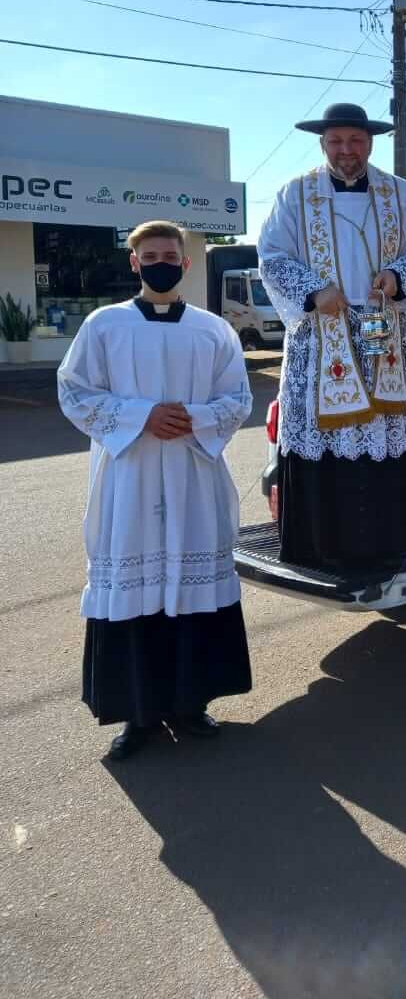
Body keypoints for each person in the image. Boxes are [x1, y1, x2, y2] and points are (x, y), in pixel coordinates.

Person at [58, 220, 254, 761]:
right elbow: (74, 391)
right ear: (135, 263)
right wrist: (142, 416)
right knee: (135, 588)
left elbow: (237, 398)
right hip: (131, 476)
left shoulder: (214, 330)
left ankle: (190, 704)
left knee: (191, 584)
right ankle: (137, 713)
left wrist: (192, 418)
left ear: (186, 264)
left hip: (193, 473)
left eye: (170, 256)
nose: (161, 263)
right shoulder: (104, 325)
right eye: (151, 256)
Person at [257, 103, 406, 569]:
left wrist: (396, 277)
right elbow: (272, 256)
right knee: (327, 434)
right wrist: (314, 291)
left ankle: (391, 548)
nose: (346, 150)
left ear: (370, 143)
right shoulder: (295, 194)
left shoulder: (400, 193)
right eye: (336, 141)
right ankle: (322, 551)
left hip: (383, 333)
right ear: (323, 144)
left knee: (383, 434)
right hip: (321, 336)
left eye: (355, 141)